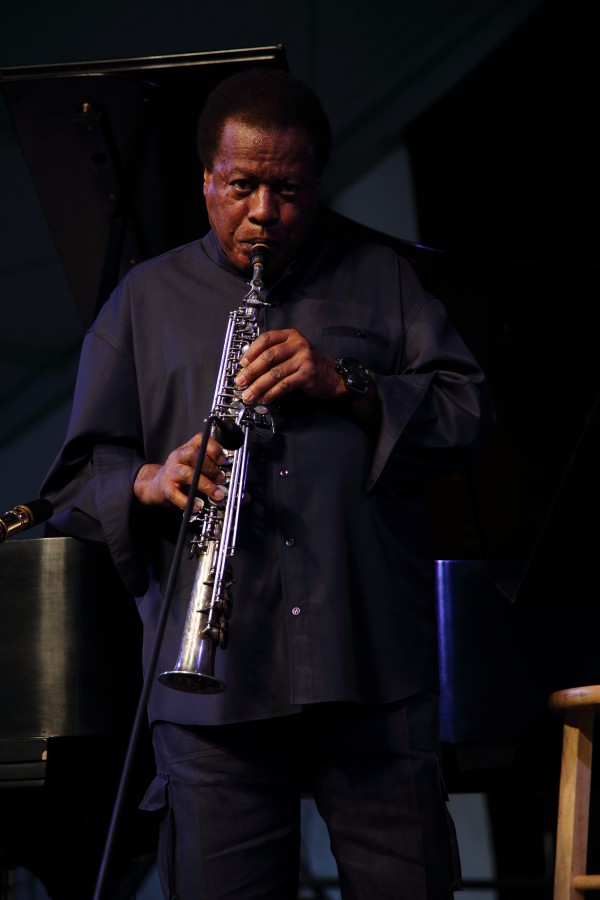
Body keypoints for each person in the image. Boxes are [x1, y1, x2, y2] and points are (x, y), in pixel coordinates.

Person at [41, 66, 495, 899]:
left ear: (315, 185)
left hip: (368, 665)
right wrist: (150, 480)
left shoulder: (381, 279)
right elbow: (72, 482)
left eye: (286, 189)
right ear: (205, 180)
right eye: (241, 185)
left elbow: (468, 414)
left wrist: (346, 383)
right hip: (214, 684)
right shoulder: (144, 300)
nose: (263, 213)